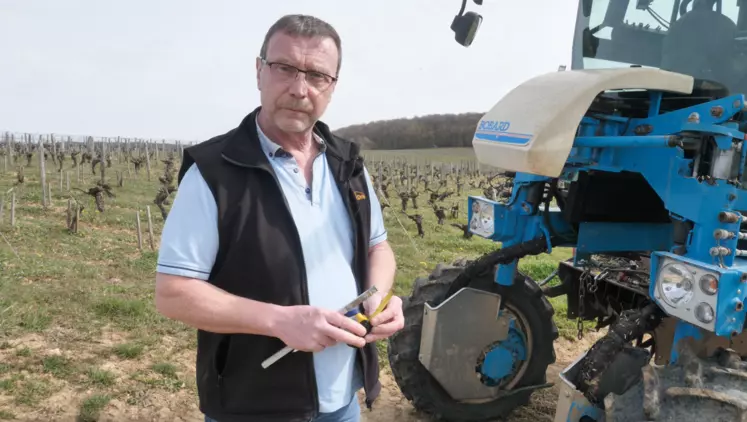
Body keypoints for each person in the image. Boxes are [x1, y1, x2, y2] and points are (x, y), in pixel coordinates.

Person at [153, 13, 403, 422]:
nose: (299, 89)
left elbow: (379, 245)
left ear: (333, 86)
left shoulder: (349, 164)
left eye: (317, 75)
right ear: (259, 71)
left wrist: (377, 296)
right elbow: (173, 292)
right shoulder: (214, 171)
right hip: (255, 402)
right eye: (285, 68)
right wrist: (280, 321)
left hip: (342, 401)